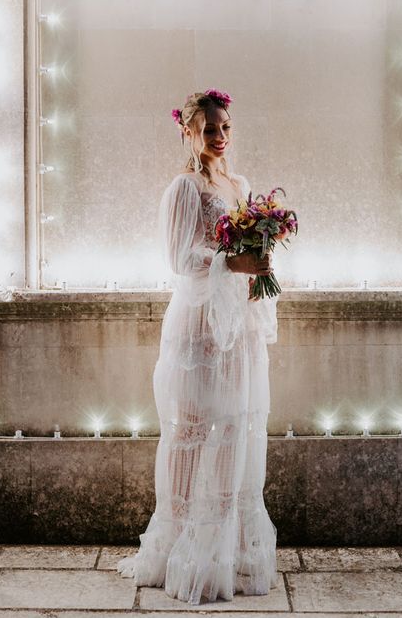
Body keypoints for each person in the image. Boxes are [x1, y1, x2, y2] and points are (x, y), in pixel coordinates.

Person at [116, 89, 280, 604]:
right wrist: (232, 263)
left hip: (238, 328)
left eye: (225, 127)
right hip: (196, 328)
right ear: (188, 132)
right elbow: (181, 259)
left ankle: (223, 552)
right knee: (189, 430)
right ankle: (177, 548)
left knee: (234, 429)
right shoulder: (183, 189)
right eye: (209, 129)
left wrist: (258, 265)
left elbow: (245, 248)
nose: (220, 136)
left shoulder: (240, 184)